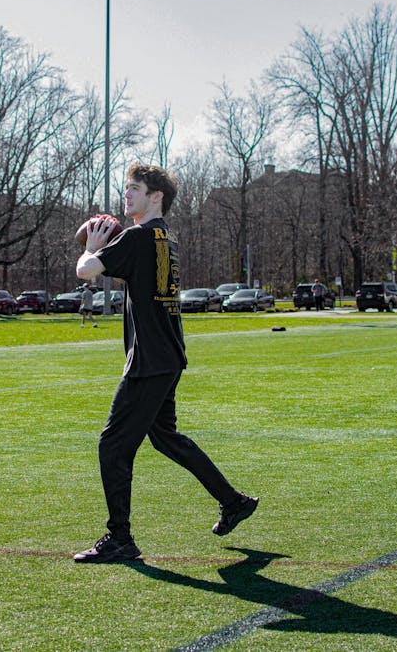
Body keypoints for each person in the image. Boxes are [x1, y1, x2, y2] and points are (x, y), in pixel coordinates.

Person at [72, 161, 258, 563]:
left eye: (134, 189)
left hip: (149, 360)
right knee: (165, 438)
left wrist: (92, 246)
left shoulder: (138, 237)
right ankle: (234, 501)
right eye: (127, 189)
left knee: (112, 446)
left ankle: (119, 538)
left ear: (156, 197)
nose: (127, 195)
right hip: (169, 354)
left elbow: (86, 271)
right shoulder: (165, 239)